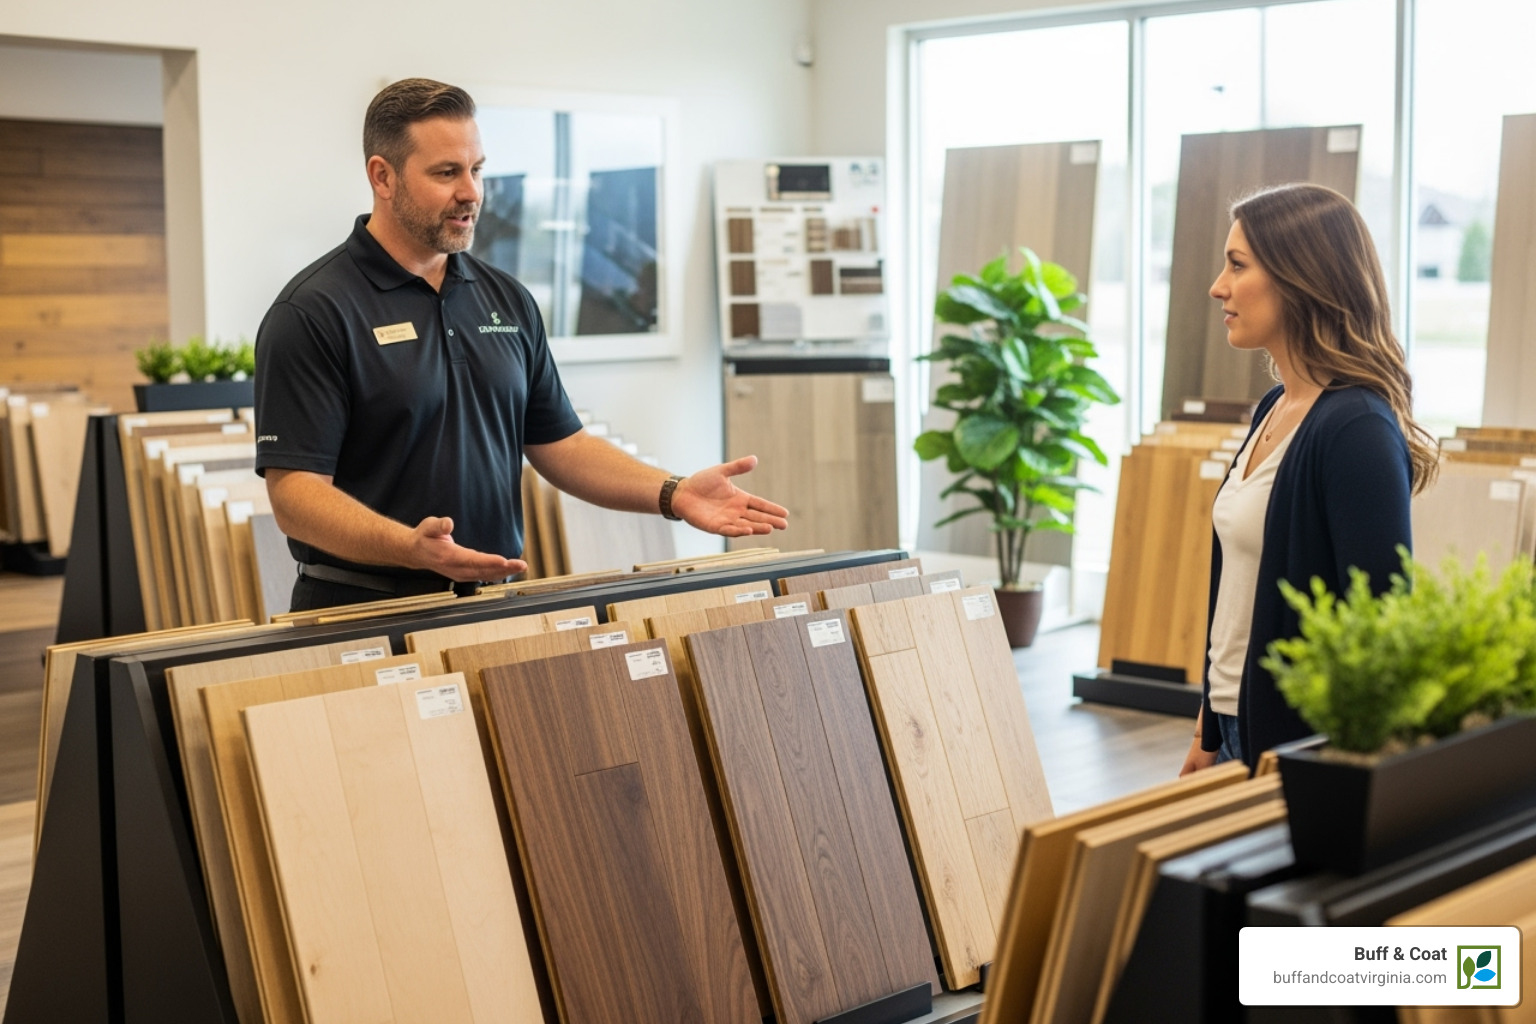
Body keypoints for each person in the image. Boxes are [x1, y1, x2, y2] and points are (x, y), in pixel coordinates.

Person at [254, 79, 788, 611]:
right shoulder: (313, 312)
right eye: (446, 173)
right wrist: (410, 549)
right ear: (382, 176)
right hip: (362, 611)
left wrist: (674, 492)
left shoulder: (506, 300)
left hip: (492, 603)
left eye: (477, 169)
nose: (472, 192)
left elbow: (564, 446)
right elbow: (296, 495)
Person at [1179, 183, 1438, 774]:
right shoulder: (1273, 404)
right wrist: (1208, 724)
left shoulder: (1356, 427)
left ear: (1301, 278)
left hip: (1291, 747)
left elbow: (1377, 625)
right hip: (1231, 724)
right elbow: (1239, 596)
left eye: (1237, 265)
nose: (1218, 286)